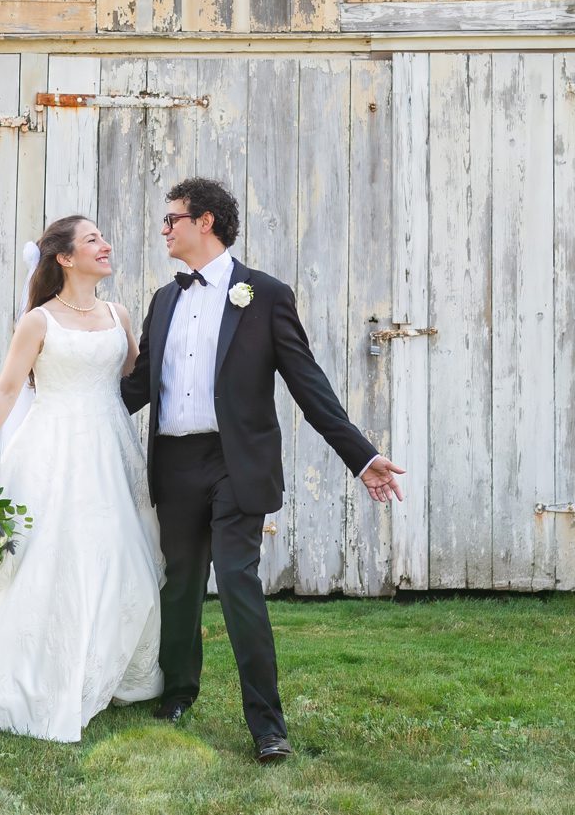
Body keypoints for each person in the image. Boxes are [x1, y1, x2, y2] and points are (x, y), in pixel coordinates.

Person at [120, 176, 405, 764]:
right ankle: (177, 694)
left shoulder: (265, 295)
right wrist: (60, 407)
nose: (164, 229)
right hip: (173, 463)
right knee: (179, 585)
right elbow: (139, 386)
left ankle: (267, 726)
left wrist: (362, 456)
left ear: (206, 223)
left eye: (172, 218)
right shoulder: (163, 299)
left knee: (239, 584)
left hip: (236, 464)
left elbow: (308, 383)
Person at [0, 215, 164, 742]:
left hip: (109, 451)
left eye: (102, 236)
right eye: (93, 239)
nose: (106, 245)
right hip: (51, 449)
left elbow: (138, 380)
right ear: (64, 258)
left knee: (118, 558)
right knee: (46, 560)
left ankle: (104, 670)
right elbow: (6, 390)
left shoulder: (118, 314)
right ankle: (31, 677)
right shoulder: (39, 322)